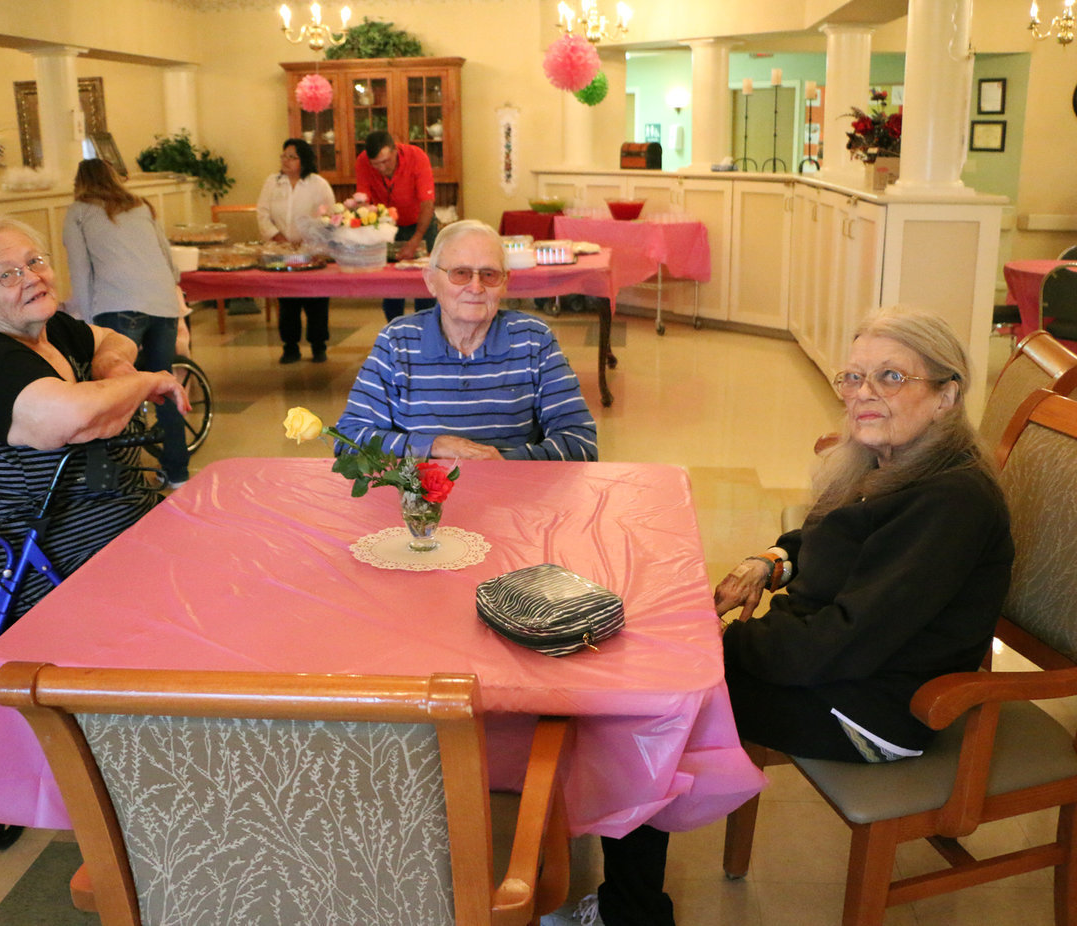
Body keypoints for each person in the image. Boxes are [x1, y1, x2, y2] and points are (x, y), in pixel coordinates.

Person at [547, 311, 1014, 926]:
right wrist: (771, 562)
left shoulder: (951, 502)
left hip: (876, 708)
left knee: (648, 705)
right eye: (854, 377)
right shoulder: (893, 461)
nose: (863, 392)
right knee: (644, 677)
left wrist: (719, 645)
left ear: (947, 395)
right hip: (835, 666)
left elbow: (838, 641)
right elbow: (828, 539)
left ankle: (629, 913)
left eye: (891, 376)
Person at [0, 213, 190, 619]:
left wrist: (114, 367)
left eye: (35, 261)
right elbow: (71, 416)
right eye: (8, 274)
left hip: (95, 521)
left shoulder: (50, 328)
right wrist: (145, 382)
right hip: (25, 553)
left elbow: (113, 338)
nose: (32, 277)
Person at [335, 219, 597, 461]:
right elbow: (348, 438)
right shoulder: (397, 342)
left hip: (510, 496)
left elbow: (581, 442)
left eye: (489, 275)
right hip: (419, 503)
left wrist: (504, 463)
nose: (475, 287)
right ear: (431, 281)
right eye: (460, 273)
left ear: (505, 282)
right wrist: (431, 446)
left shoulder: (533, 340)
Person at [63, 158, 192, 486]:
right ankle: (178, 473)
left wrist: (91, 322)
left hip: (118, 306)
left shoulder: (78, 211)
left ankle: (122, 477)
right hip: (162, 304)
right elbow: (168, 259)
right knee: (163, 385)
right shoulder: (140, 206)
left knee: (119, 392)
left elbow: (80, 272)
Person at [256, 138, 334, 364]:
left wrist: (308, 236)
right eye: (284, 156)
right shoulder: (272, 182)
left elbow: (328, 217)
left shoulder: (318, 184)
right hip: (281, 250)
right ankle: (290, 346)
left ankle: (318, 345)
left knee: (316, 301)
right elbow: (262, 213)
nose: (286, 161)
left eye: (292, 157)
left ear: (303, 160)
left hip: (311, 249)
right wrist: (278, 237)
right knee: (288, 302)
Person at [354, 130, 437, 321]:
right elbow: (364, 203)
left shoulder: (416, 157)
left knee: (424, 283)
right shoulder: (363, 161)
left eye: (386, 161)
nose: (382, 168)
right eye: (376, 164)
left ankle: (424, 332)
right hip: (388, 226)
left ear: (395, 151)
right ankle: (394, 331)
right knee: (391, 285)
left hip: (420, 222)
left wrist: (416, 239)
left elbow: (427, 203)